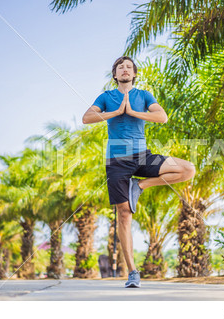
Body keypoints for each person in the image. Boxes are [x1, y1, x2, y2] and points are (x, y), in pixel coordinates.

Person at [82, 56, 195, 288]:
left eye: (129, 67)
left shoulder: (143, 95)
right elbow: (87, 118)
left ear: (134, 74)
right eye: (120, 67)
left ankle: (140, 185)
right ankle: (133, 272)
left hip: (142, 156)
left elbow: (161, 117)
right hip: (116, 160)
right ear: (115, 75)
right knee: (124, 214)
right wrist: (116, 112)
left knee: (187, 169)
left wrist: (133, 112)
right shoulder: (106, 97)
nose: (125, 70)